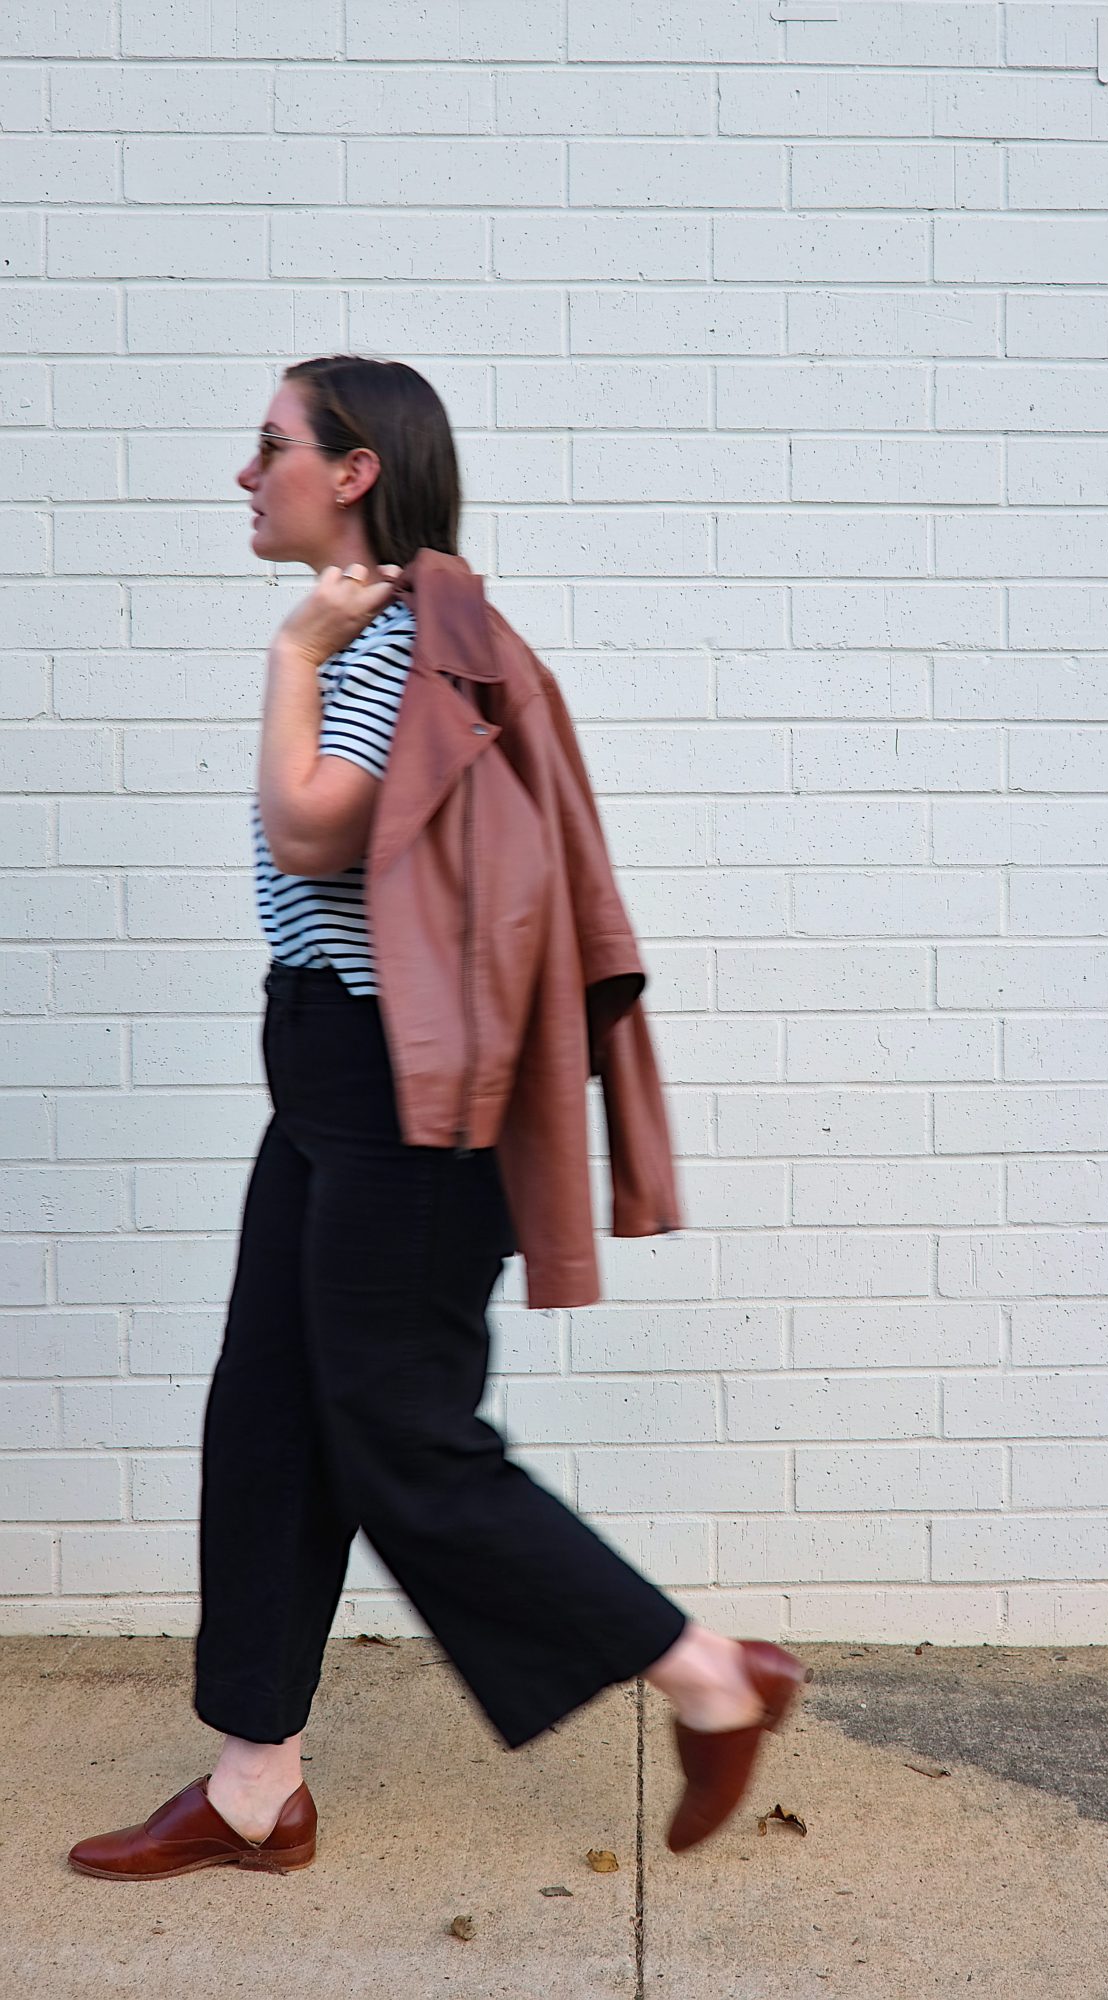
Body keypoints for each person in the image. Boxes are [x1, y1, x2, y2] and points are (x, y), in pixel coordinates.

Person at [67, 355, 808, 1882]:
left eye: (267, 444)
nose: (241, 472)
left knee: (403, 1434)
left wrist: (291, 652)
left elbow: (311, 824)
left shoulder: (395, 637)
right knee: (268, 1414)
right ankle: (255, 1784)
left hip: (405, 1100)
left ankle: (706, 1674)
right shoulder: (387, 630)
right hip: (331, 1071)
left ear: (352, 471)